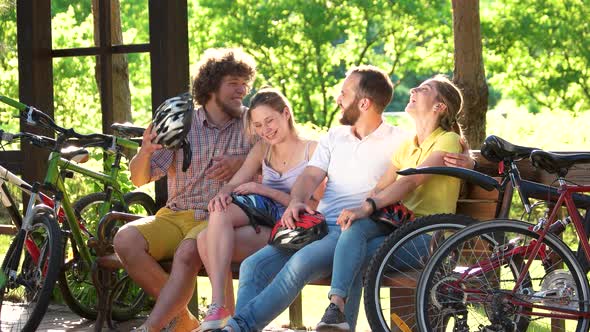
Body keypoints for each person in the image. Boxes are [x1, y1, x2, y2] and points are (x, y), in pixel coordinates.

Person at [212, 66, 473, 332]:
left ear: (363, 102)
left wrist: (471, 161)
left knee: (304, 262)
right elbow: (310, 176)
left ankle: (239, 326)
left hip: (361, 227)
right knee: (253, 266)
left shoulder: (399, 139)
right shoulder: (335, 137)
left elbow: (427, 165)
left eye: (343, 93)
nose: (338, 98)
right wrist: (296, 200)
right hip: (319, 225)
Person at [113, 48, 256, 332]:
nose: (241, 90)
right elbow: (140, 178)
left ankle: (154, 326)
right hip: (174, 215)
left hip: (218, 218)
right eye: (233, 83)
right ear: (211, 85)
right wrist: (145, 152)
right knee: (125, 240)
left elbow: (277, 167)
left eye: (244, 84)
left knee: (189, 252)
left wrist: (242, 163)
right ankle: (182, 317)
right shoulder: (183, 124)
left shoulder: (253, 124)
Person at [316, 74, 465, 331]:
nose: (414, 89)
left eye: (424, 89)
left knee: (356, 257)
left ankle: (341, 321)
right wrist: (364, 207)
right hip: (400, 228)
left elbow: (410, 181)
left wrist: (369, 206)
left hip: (430, 238)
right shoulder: (408, 144)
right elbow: (382, 185)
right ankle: (336, 309)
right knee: (354, 231)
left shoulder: (447, 140)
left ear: (439, 107)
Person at [195, 88, 322, 331]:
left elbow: (315, 209)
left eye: (270, 121)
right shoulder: (263, 149)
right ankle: (220, 307)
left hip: (294, 231)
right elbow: (234, 183)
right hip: (265, 225)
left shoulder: (312, 150)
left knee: (205, 239)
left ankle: (232, 320)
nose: (266, 130)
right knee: (211, 225)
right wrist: (222, 194)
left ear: (286, 114)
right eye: (258, 125)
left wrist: (264, 190)